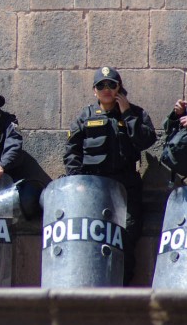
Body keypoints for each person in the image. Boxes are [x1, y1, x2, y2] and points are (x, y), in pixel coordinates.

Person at [64, 66, 156, 285]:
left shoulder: (136, 113)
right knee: (93, 237)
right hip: (93, 187)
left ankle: (121, 289)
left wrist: (127, 114)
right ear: (94, 91)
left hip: (125, 187)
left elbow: (146, 141)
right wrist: (77, 181)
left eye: (111, 85)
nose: (106, 89)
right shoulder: (85, 117)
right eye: (101, 85)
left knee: (126, 236)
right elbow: (72, 152)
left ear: (119, 88)